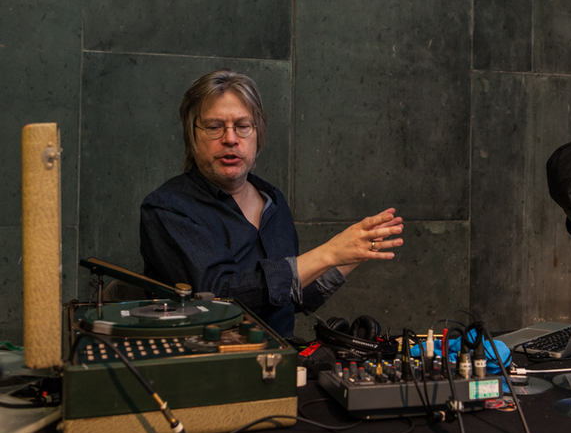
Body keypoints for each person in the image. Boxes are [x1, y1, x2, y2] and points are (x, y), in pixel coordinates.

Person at [140, 68, 403, 337]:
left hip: (281, 358)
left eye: (243, 126)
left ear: (258, 133)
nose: (230, 139)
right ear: (192, 136)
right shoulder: (167, 209)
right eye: (214, 127)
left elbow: (292, 297)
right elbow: (220, 297)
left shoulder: (272, 200)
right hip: (212, 361)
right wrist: (329, 253)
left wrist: (353, 253)